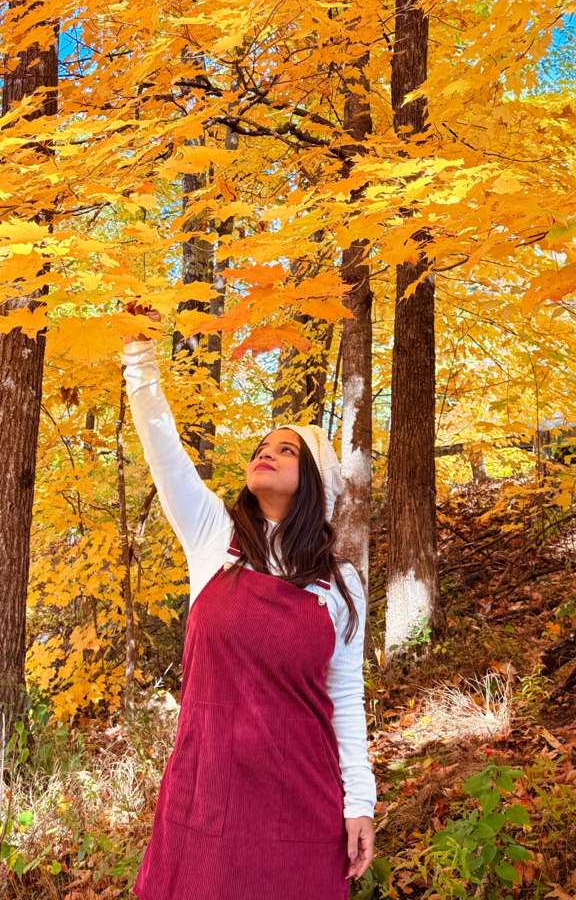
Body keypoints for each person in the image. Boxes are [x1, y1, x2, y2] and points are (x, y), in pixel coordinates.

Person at [119, 303, 377, 900]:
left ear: (315, 478)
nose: (267, 451)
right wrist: (140, 357)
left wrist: (359, 800)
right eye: (263, 445)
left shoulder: (339, 583)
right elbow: (163, 450)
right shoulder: (213, 537)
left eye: (287, 450)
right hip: (206, 796)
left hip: (304, 805)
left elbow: (344, 697)